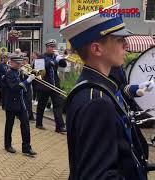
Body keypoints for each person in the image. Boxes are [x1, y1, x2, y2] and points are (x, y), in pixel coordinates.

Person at [61, 3, 153, 179]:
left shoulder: (98, 88)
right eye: (119, 40)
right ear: (96, 49)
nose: (126, 45)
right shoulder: (97, 101)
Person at [4, 54, 36, 156]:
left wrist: (29, 78)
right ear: (12, 62)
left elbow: (26, 87)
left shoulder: (19, 72)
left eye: (19, 63)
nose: (18, 65)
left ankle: (26, 147)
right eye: (16, 63)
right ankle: (7, 145)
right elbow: (15, 88)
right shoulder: (9, 73)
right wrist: (27, 80)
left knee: (26, 124)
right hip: (11, 102)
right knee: (10, 124)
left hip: (21, 103)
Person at [35, 39, 67, 132]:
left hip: (55, 84)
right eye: (51, 47)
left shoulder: (56, 57)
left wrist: (61, 58)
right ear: (47, 47)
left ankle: (60, 126)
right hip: (44, 85)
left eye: (53, 47)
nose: (52, 48)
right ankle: (39, 123)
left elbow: (64, 65)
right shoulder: (41, 57)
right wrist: (50, 62)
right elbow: (38, 71)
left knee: (58, 105)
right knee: (41, 105)